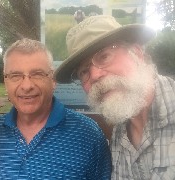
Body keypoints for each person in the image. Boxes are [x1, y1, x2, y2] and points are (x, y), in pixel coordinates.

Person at [54, 15, 175, 179]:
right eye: (84, 72)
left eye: (104, 56)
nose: (95, 75)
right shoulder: (120, 129)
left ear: (137, 52)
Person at [0, 38, 111, 179]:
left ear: (53, 80)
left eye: (37, 74)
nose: (27, 86)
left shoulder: (88, 134)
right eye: (15, 76)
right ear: (6, 82)